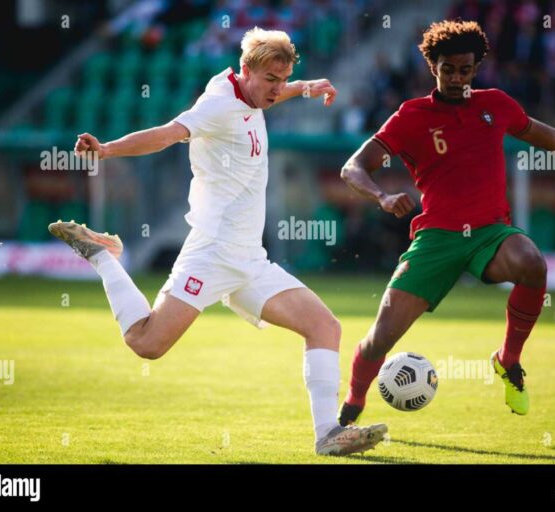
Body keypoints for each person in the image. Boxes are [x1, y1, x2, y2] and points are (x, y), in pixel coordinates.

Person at [49, 27, 387, 455]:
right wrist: (108, 150)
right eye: (270, 80)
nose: (276, 89)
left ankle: (327, 435)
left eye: (282, 80)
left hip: (249, 259)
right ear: (246, 70)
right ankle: (103, 256)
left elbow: (272, 92)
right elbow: (168, 133)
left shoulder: (254, 90)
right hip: (211, 251)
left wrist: (302, 88)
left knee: (324, 326)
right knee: (146, 344)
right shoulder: (216, 104)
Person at [338, 20, 555, 425]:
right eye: (448, 69)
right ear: (433, 66)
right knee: (379, 340)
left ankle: (507, 360)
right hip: (437, 238)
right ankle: (353, 405)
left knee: (532, 263)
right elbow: (353, 167)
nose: (457, 78)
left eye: (465, 69)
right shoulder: (411, 116)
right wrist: (382, 195)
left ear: (476, 67)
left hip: (491, 232)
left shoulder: (495, 104)